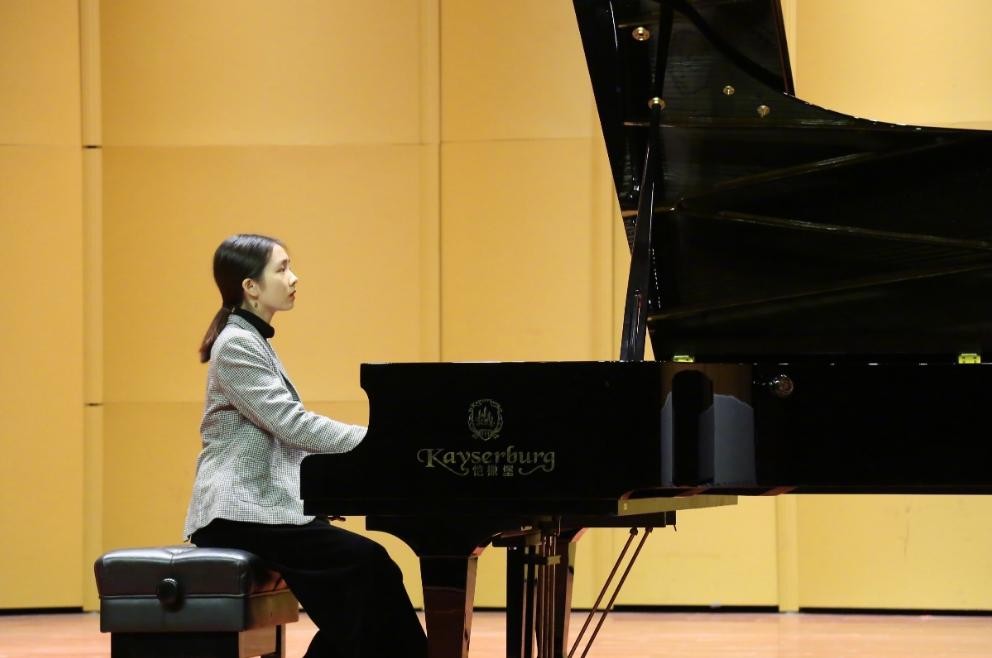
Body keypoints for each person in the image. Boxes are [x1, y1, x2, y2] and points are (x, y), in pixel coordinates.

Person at [184, 233, 428, 658]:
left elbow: (283, 434)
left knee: (364, 585)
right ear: (251, 286)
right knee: (367, 567)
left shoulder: (251, 339)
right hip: (239, 511)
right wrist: (380, 442)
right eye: (282, 269)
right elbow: (292, 424)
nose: (294, 278)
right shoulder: (237, 344)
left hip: (262, 508)